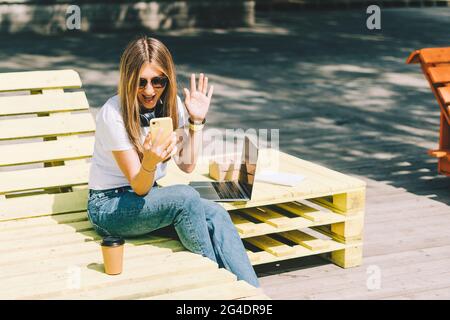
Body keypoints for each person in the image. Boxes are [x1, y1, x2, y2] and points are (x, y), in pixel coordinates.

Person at [87, 36, 259, 287]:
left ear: (167, 79)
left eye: (157, 81)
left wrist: (196, 122)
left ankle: (255, 295)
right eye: (141, 82)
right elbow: (140, 186)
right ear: (128, 80)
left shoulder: (171, 104)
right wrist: (150, 162)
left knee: (217, 214)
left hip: (147, 199)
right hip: (109, 206)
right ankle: (216, 287)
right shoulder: (113, 114)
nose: (149, 90)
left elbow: (186, 165)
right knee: (185, 197)